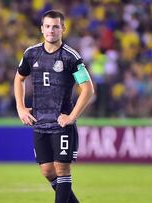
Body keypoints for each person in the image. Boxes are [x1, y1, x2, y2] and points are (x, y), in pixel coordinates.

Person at [14, 10, 94, 203]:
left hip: (61, 124)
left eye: (56, 26)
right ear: (42, 29)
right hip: (40, 122)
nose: (51, 30)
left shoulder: (70, 57)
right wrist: (21, 108)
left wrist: (71, 116)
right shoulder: (31, 54)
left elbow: (88, 89)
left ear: (63, 29)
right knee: (47, 170)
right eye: (48, 26)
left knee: (62, 169)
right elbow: (19, 78)